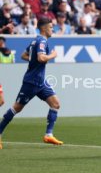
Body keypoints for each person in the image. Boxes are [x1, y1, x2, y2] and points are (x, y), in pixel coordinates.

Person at [0, 18, 63, 149]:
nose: (53, 30)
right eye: (51, 27)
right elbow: (41, 58)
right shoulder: (42, 41)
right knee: (16, 108)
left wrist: (34, 60)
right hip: (32, 82)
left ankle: (48, 135)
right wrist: (53, 55)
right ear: (44, 28)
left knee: (55, 104)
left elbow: (24, 55)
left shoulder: (35, 40)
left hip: (40, 81)